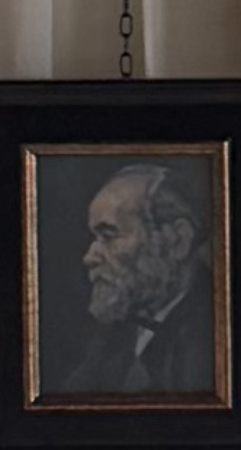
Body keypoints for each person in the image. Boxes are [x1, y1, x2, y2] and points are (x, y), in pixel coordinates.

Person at [43, 150, 221, 403]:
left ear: (178, 240)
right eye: (95, 238)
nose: (90, 257)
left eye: (109, 235)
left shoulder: (214, 331)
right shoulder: (109, 339)